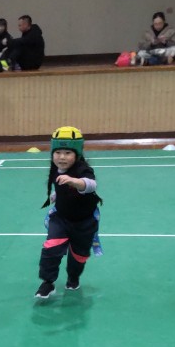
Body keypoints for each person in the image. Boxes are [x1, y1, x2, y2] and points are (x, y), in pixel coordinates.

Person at [35, 127, 102, 300]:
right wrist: (56, 195)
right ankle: (47, 283)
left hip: (84, 222)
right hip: (61, 219)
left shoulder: (83, 169)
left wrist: (75, 181)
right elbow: (61, 187)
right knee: (51, 247)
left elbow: (91, 185)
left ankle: (73, 278)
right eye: (58, 152)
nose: (62, 157)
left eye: (67, 153)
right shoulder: (55, 168)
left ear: (77, 154)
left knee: (79, 256)